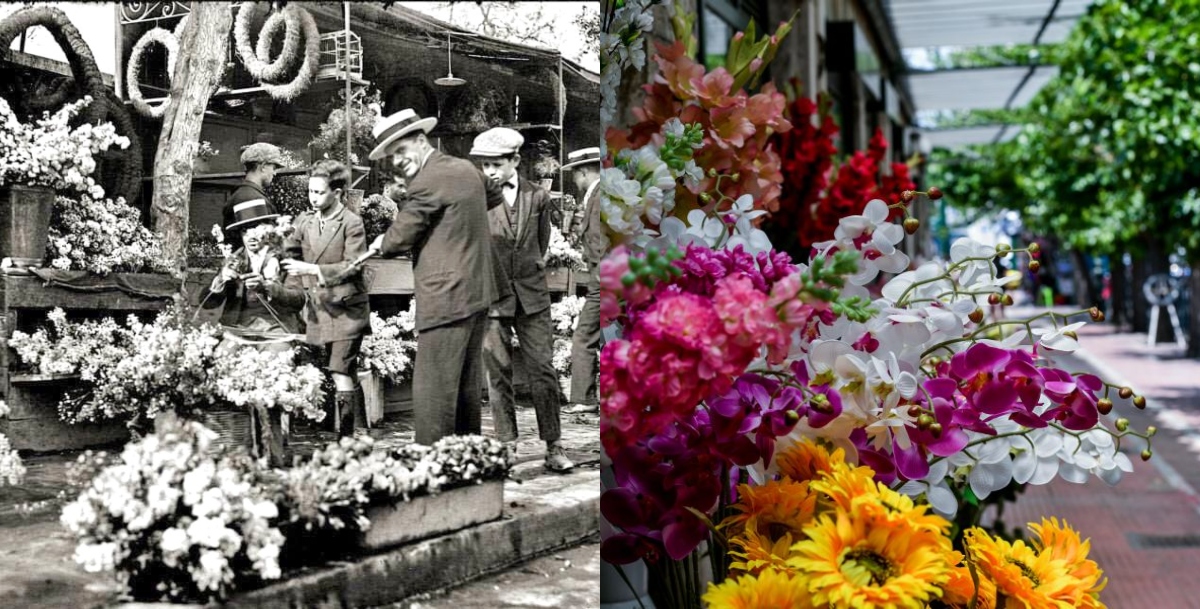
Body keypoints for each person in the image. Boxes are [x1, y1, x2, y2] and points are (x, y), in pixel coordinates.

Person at [366, 108, 506, 446]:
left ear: (420, 140)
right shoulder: (464, 169)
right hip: (477, 292)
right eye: (391, 156)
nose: (397, 161)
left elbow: (399, 237)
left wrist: (379, 242)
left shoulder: (427, 181)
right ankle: (468, 461)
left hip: (446, 294)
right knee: (464, 388)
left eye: (401, 151)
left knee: (433, 389)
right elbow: (495, 194)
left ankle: (434, 463)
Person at [470, 127, 573, 472]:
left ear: (515, 160)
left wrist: (525, 272)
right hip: (494, 297)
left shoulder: (538, 197)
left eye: (496, 164)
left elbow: (541, 245)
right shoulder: (476, 200)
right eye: (485, 166)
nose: (490, 172)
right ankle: (507, 447)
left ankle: (554, 446)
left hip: (532, 296)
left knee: (543, 370)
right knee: (497, 373)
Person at [200, 201, 306, 466]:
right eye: (246, 230)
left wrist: (270, 287)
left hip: (275, 333)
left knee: (271, 381)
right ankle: (238, 452)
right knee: (218, 371)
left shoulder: (285, 258)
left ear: (268, 230)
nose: (252, 236)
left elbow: (299, 298)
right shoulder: (234, 258)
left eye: (257, 228)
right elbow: (208, 302)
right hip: (239, 332)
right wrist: (221, 279)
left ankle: (274, 456)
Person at [280, 159, 371, 437]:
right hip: (316, 307)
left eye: (319, 192)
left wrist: (313, 269)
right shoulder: (304, 221)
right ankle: (359, 430)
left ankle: (345, 437)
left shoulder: (351, 223)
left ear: (338, 193)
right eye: (310, 191)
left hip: (346, 308)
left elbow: (354, 266)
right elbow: (291, 260)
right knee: (343, 369)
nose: (313, 198)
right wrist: (286, 292)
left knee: (339, 369)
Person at [562, 147, 604, 415]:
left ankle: (584, 398)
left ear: (583, 172)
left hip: (603, 278)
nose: (575, 182)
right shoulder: (596, 195)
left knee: (584, 336)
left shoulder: (599, 196)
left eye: (575, 175)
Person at [224, 143, 284, 245]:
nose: (274, 173)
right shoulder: (251, 198)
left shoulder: (243, 193)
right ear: (263, 167)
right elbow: (261, 243)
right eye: (274, 168)